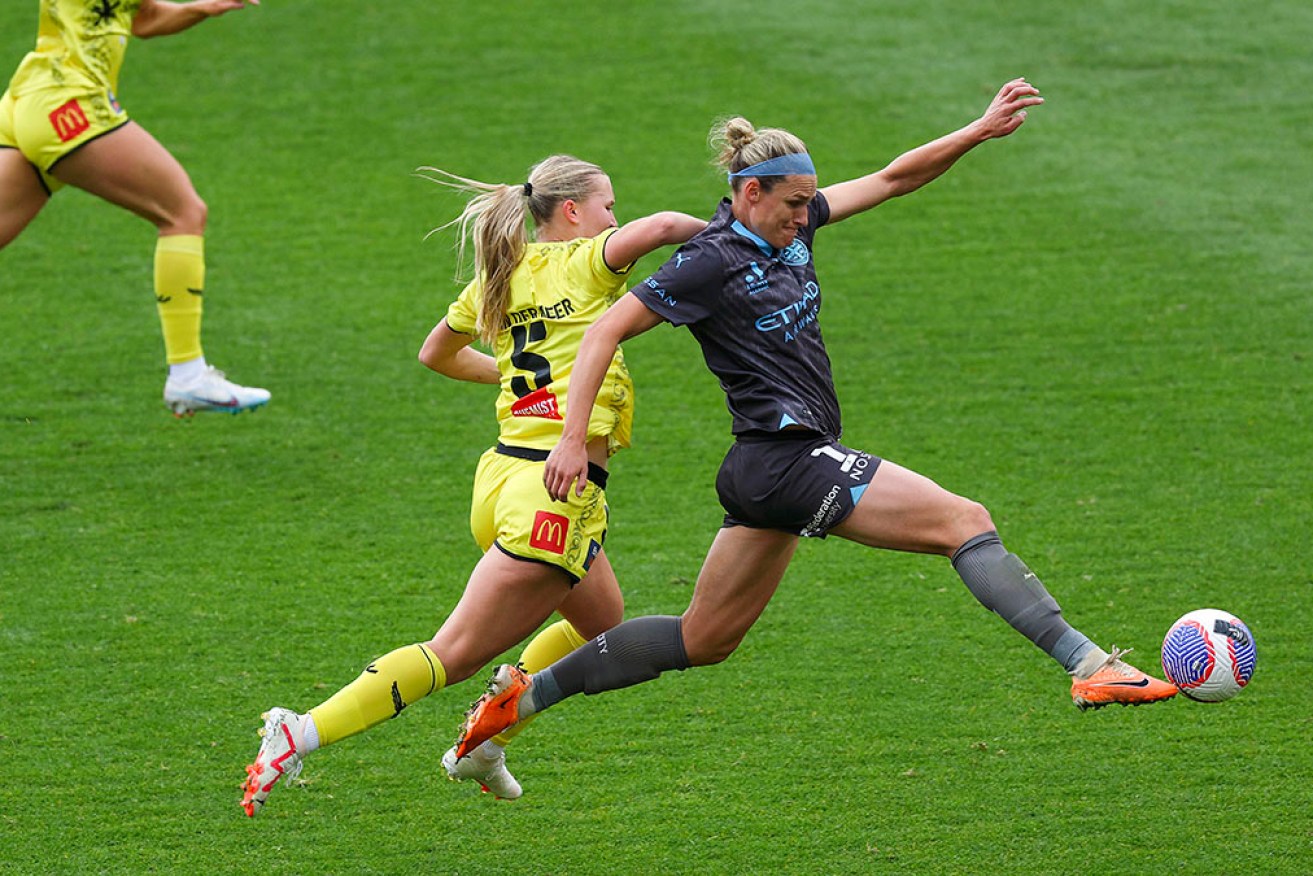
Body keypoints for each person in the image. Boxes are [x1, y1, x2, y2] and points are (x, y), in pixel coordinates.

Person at [452, 79, 1178, 768]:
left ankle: (520, 700)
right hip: (786, 460)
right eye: (792, 204)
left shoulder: (789, 231)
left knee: (700, 639)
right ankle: (1088, 665)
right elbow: (605, 331)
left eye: (808, 203)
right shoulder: (706, 262)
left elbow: (892, 177)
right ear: (749, 193)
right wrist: (573, 441)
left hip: (763, 473)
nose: (805, 217)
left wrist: (979, 131)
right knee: (963, 521)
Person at [239, 155, 705, 815]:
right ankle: (302, 731)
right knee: (451, 653)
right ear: (571, 213)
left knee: (600, 624)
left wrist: (520, 379)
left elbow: (437, 352)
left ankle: (486, 740)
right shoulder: (587, 261)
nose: (613, 219)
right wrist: (729, 229)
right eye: (606, 206)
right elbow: (659, 227)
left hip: (501, 479)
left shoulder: (501, 272)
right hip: (553, 489)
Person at [0, 0, 269, 415]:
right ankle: (188, 375)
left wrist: (202, 8)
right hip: (69, 104)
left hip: (31, 98)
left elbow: (142, 18)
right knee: (182, 212)